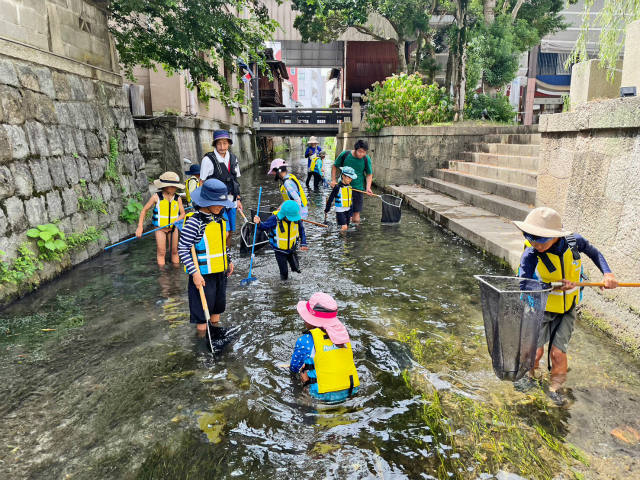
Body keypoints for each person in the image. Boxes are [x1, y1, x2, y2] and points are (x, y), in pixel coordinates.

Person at [514, 207, 618, 402]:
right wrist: (551, 286)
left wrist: (608, 274)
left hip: (567, 307)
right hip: (540, 308)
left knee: (558, 354)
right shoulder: (531, 252)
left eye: (541, 240)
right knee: (534, 353)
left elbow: (595, 253)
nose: (536, 244)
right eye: (531, 238)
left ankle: (555, 389)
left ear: (555, 236)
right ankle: (530, 377)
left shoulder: (574, 242)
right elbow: (524, 283)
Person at [178, 179, 235, 337]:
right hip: (202, 276)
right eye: (216, 203)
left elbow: (222, 244)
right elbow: (183, 249)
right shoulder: (194, 223)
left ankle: (215, 333)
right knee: (202, 315)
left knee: (218, 308)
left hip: (220, 273)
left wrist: (229, 260)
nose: (221, 207)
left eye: (222, 203)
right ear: (205, 201)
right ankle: (202, 340)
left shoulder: (220, 219)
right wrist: (195, 273)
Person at [289, 292, 360, 402]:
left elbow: (293, 368)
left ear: (310, 320)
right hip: (351, 390)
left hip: (321, 396)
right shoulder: (344, 337)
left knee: (303, 373)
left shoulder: (305, 341)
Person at [199, 130, 243, 241]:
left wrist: (238, 199)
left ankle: (226, 256)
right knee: (225, 232)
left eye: (224, 143)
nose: (222, 146)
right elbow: (202, 182)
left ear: (228, 144)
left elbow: (235, 181)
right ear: (215, 144)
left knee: (231, 231)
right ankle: (220, 255)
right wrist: (203, 203)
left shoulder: (233, 158)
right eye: (219, 143)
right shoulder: (208, 160)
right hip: (216, 202)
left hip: (232, 201)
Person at [136, 171, 185, 266]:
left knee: (174, 251)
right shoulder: (156, 197)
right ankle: (163, 275)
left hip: (173, 228)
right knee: (161, 252)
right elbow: (144, 211)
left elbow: (182, 213)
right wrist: (140, 227)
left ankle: (175, 272)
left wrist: (178, 220)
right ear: (166, 186)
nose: (175, 188)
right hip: (160, 229)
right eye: (173, 186)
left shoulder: (177, 198)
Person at [253, 200, 308, 280]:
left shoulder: (296, 219)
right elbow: (263, 227)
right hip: (280, 252)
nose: (292, 220)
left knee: (297, 270)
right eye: (290, 218)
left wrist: (303, 243)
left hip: (292, 249)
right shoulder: (274, 219)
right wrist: (258, 223)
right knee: (284, 274)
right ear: (284, 215)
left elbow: (301, 231)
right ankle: (284, 288)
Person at [331, 139, 373, 223]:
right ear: (355, 149)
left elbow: (369, 174)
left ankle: (355, 234)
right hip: (343, 188)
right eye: (360, 151)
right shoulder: (345, 154)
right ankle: (341, 230)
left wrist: (368, 187)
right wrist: (333, 180)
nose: (362, 154)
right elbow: (335, 166)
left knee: (356, 215)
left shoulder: (366, 159)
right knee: (341, 212)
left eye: (364, 152)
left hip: (358, 188)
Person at [325, 166, 357, 231]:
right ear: (343, 176)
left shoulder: (349, 187)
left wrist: (351, 213)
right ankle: (342, 240)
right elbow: (331, 198)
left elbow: (351, 201)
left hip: (347, 210)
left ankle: (342, 237)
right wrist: (327, 209)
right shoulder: (337, 187)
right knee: (344, 227)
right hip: (340, 210)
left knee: (346, 226)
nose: (350, 180)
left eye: (351, 178)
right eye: (349, 177)